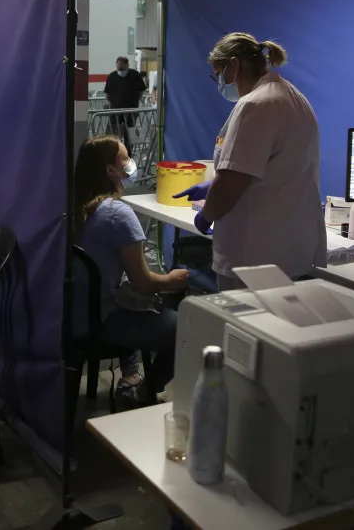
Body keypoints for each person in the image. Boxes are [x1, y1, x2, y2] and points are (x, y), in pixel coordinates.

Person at [177, 33, 326, 290]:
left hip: (252, 255)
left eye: (218, 73)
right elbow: (273, 168)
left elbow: (231, 184)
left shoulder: (254, 104)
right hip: (289, 248)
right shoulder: (293, 98)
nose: (219, 81)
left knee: (243, 317)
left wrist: (206, 215)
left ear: (234, 65)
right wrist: (213, 185)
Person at [75, 134, 187, 403]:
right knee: (189, 328)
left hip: (69, 314)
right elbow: (144, 284)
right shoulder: (118, 214)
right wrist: (173, 279)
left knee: (128, 297)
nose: (131, 163)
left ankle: (131, 374)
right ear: (110, 170)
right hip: (100, 322)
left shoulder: (75, 208)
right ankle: (145, 391)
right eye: (125, 159)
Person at [104, 57, 148, 155]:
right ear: (116, 65)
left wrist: (134, 101)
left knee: (130, 134)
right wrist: (114, 102)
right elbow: (107, 94)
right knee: (112, 133)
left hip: (131, 110)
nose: (121, 71)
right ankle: (113, 153)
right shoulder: (112, 76)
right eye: (119, 67)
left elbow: (141, 91)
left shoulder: (135, 75)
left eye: (123, 68)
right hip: (115, 111)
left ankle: (128, 154)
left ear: (127, 66)